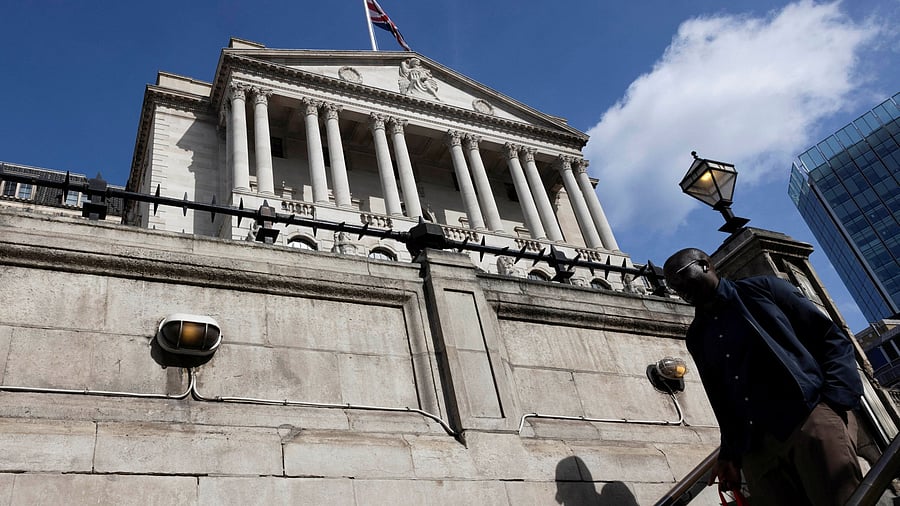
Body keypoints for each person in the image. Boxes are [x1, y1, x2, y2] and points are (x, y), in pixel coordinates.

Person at [663, 248, 863, 506]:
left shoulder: (764, 290)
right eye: (670, 284)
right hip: (757, 450)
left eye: (679, 276)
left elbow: (831, 338)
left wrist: (833, 403)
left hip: (807, 418)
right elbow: (721, 398)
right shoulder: (697, 335)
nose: (677, 287)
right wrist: (730, 453)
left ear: (704, 265)